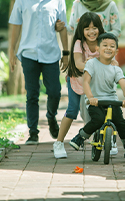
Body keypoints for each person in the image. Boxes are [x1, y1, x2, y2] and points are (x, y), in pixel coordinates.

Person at [55, 0, 121, 155]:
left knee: (108, 104)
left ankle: (110, 139)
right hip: (81, 68)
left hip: (104, 59)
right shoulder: (77, 4)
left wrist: (107, 48)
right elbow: (72, 28)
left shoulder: (110, 5)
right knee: (78, 108)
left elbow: (116, 30)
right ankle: (61, 142)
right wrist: (66, 49)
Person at [8, 0, 69, 145]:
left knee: (55, 92)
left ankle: (51, 117)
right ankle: (33, 132)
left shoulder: (58, 0)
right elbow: (16, 27)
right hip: (29, 54)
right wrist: (11, 52)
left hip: (51, 54)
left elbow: (63, 27)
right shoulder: (22, 0)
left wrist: (66, 52)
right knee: (32, 95)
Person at [70, 33, 125, 159]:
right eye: (105, 45)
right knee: (98, 119)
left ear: (116, 50)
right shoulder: (91, 64)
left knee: (120, 122)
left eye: (112, 46)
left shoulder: (116, 69)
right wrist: (90, 97)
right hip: (95, 101)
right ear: (97, 49)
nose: (108, 48)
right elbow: (85, 82)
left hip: (111, 101)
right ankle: (80, 137)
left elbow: (124, 86)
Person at [53, 12, 107, 158]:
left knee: (102, 109)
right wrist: (94, 64)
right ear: (81, 30)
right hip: (76, 81)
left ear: (100, 28)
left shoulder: (103, 43)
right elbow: (78, 64)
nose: (91, 32)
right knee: (72, 110)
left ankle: (109, 139)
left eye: (94, 27)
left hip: (94, 83)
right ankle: (58, 143)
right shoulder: (79, 44)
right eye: (87, 28)